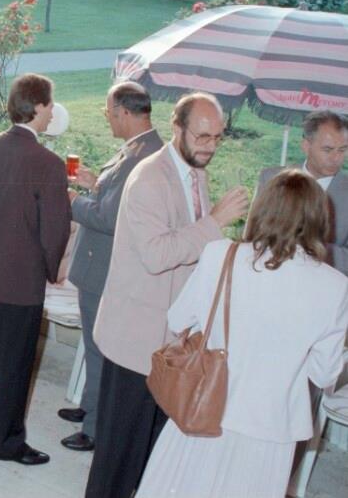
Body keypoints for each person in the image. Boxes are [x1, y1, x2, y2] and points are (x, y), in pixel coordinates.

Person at [137, 170, 348, 498]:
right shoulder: (335, 286)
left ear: (262, 209)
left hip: (204, 409)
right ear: (319, 219)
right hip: (273, 428)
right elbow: (324, 374)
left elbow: (178, 319)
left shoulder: (221, 254)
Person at [87, 92, 249, 498]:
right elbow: (157, 255)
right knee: (116, 461)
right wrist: (214, 222)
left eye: (217, 137)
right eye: (201, 136)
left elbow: (192, 248)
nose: (209, 146)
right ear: (177, 128)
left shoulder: (196, 173)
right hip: (134, 340)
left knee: (151, 456)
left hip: (169, 341)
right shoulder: (149, 178)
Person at [0, 73, 71, 467]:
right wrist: (52, 270)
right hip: (22, 282)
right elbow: (55, 230)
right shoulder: (49, 164)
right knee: (15, 365)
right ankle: (6, 442)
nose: (52, 111)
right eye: (50, 105)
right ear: (37, 108)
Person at [57, 82, 163, 452]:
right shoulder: (140, 148)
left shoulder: (141, 156)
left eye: (108, 112)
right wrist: (97, 185)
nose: (106, 118)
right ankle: (89, 406)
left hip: (104, 269)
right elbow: (120, 202)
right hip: (100, 266)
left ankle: (94, 427)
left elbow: (109, 218)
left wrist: (73, 200)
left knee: (99, 347)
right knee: (92, 345)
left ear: (124, 112)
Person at [257, 110, 348, 275]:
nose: (336, 158)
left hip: (326, 284)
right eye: (327, 150)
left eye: (342, 150)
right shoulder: (270, 178)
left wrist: (309, 247)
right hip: (271, 277)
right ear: (306, 146)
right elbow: (254, 237)